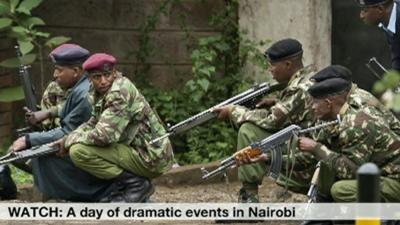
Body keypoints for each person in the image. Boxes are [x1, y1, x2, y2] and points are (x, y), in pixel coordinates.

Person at [57, 53, 174, 203]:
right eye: (97, 77)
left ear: (114, 72)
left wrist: (70, 140)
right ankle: (125, 187)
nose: (103, 81)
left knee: (79, 151)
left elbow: (104, 136)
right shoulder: (98, 92)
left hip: (152, 155)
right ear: (89, 79)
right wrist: (69, 137)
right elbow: (93, 122)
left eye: (107, 75)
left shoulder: (119, 93)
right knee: (78, 146)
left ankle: (136, 185)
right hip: (139, 149)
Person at [214, 38, 318, 203]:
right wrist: (276, 103)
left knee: (249, 131)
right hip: (313, 147)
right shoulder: (310, 78)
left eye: (272, 65)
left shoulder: (298, 88)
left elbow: (272, 121)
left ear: (288, 65)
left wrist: (234, 111)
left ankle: (249, 200)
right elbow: (297, 112)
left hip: (308, 157)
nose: (270, 70)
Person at [10, 44, 114, 202]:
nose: (55, 74)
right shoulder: (81, 88)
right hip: (92, 146)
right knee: (33, 151)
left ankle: (83, 195)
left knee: (41, 154)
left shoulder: (83, 93)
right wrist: (43, 117)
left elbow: (68, 132)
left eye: (59, 70)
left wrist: (29, 140)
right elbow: (63, 112)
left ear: (76, 71)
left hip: (100, 152)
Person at [298, 77, 400, 202]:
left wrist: (317, 149)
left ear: (328, 104)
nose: (312, 107)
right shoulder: (345, 116)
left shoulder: (355, 125)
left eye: (315, 102)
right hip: (385, 175)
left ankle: (386, 218)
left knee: (341, 190)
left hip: (395, 180)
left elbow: (351, 172)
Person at [356, 0, 400, 71]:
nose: (361, 15)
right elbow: (397, 54)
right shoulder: (388, 20)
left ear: (380, 9)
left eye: (365, 10)